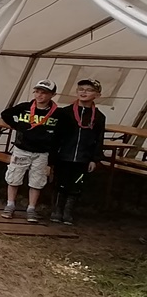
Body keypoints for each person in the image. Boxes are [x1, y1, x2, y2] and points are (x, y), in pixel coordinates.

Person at [0, 79, 61, 222]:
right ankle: (10, 204)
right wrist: (18, 126)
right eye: (37, 92)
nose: (39, 95)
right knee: (14, 177)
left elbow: (62, 132)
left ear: (53, 95)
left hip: (42, 152)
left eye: (44, 93)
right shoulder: (25, 107)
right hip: (22, 149)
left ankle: (31, 208)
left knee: (37, 181)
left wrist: (52, 152)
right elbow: (5, 114)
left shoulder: (57, 113)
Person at [50, 78, 106, 226]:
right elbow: (56, 136)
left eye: (89, 90)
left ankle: (68, 212)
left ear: (97, 95)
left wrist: (94, 159)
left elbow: (99, 138)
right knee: (60, 183)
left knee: (77, 184)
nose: (84, 92)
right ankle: (57, 210)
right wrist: (52, 157)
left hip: (83, 158)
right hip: (64, 156)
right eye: (81, 89)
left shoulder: (99, 117)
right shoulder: (65, 112)